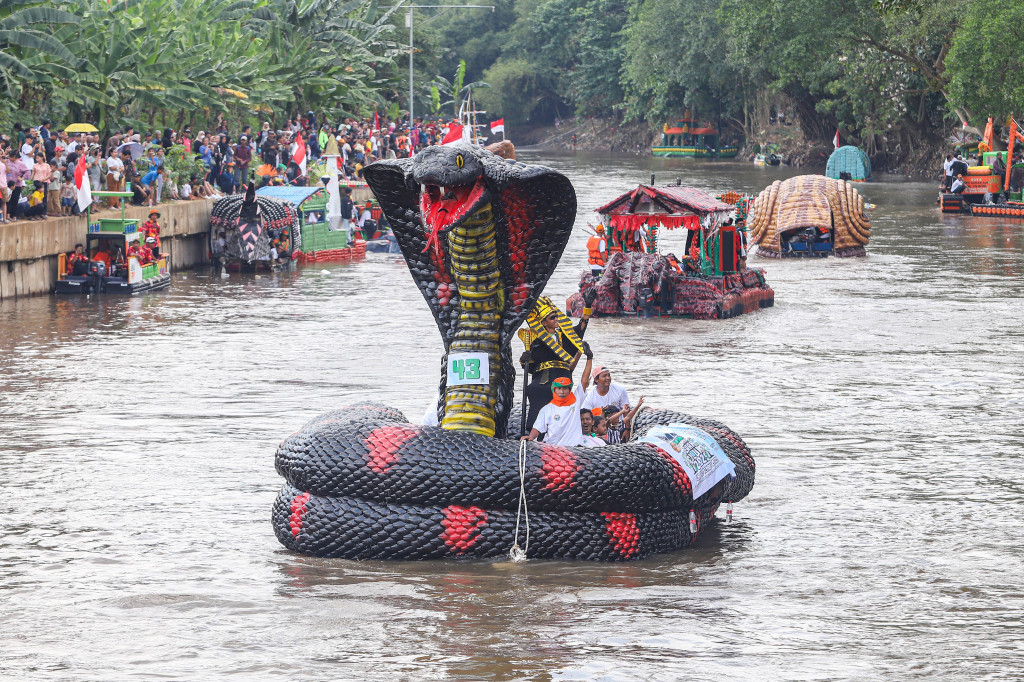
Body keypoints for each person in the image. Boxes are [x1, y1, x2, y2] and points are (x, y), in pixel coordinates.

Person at [521, 296, 593, 432]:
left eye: (556, 316)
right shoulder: (536, 340)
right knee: (537, 392)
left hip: (562, 377)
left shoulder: (565, 336)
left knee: (563, 397)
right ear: (544, 323)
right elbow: (529, 367)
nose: (556, 319)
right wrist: (524, 359)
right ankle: (534, 432)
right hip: (543, 380)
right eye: (552, 318)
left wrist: (587, 307)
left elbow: (581, 329)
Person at [520, 369, 604, 448]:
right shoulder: (547, 409)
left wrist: (589, 360)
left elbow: (584, 382)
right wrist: (531, 437)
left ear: (569, 390)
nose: (562, 392)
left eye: (565, 388)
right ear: (554, 390)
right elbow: (538, 427)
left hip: (573, 448)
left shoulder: (576, 401)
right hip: (552, 448)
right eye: (559, 388)